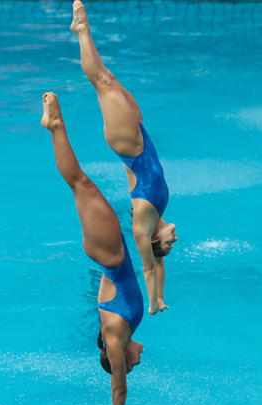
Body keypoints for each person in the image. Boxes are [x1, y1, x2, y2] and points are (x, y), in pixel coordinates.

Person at [41, 91, 144, 405]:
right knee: (80, 185)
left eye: (133, 365)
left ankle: (55, 126)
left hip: (109, 252)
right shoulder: (118, 329)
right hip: (110, 253)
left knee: (79, 183)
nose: (139, 361)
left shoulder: (115, 338)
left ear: (123, 361)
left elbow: (118, 389)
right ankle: (55, 126)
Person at [71, 0, 177, 315]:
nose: (175, 240)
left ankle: (81, 31)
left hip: (128, 144)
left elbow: (148, 266)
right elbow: (158, 265)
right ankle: (83, 33)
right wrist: (161, 294)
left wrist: (153, 303)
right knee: (111, 78)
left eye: (169, 243)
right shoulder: (156, 213)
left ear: (155, 237)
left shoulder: (144, 223)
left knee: (102, 83)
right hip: (140, 136)